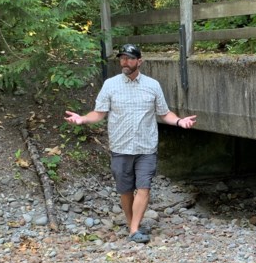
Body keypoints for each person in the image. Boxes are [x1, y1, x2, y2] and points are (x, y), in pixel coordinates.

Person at [64, 43, 197, 244]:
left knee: (144, 187)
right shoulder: (110, 84)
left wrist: (179, 121)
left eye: (130, 58)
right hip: (120, 146)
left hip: (146, 147)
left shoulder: (152, 85)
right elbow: (99, 113)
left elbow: (164, 113)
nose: (125, 62)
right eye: (122, 58)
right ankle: (131, 224)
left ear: (139, 61)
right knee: (125, 190)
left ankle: (134, 230)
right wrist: (83, 118)